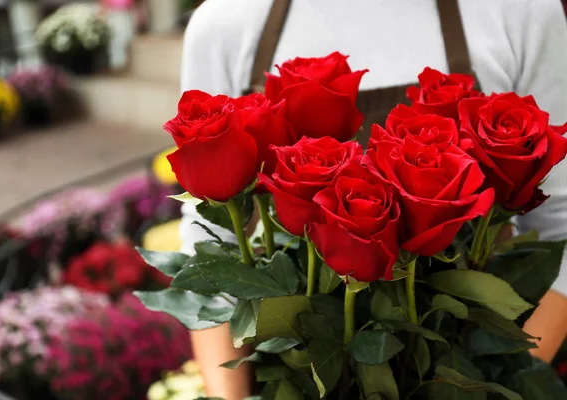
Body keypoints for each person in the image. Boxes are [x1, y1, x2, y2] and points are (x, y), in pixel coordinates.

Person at [177, 0, 567, 398]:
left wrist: (503, 385)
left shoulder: (521, 10)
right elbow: (208, 252)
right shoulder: (226, 22)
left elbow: (562, 224)